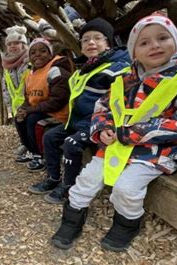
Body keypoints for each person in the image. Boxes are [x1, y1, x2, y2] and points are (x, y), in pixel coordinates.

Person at [51, 14, 177, 252]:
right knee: (85, 181)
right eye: (144, 43)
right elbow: (102, 109)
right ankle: (71, 220)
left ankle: (127, 224)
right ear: (134, 51)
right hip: (115, 145)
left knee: (126, 189)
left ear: (176, 41)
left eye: (163, 38)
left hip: (155, 152)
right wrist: (102, 129)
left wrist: (128, 133)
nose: (154, 46)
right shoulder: (124, 80)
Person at [29, 18, 130, 203]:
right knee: (50, 137)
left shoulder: (117, 68)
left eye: (97, 38)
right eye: (85, 40)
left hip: (98, 124)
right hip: (78, 121)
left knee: (71, 144)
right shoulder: (84, 68)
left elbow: (119, 103)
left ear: (109, 42)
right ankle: (53, 177)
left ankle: (69, 186)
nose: (91, 42)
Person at [15, 38, 72, 171]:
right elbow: (28, 98)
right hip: (40, 109)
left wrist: (30, 110)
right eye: (33, 52)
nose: (38, 55)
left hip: (58, 112)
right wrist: (23, 109)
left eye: (42, 51)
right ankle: (32, 151)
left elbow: (58, 100)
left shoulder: (55, 70)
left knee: (33, 121)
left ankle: (42, 156)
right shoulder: (31, 74)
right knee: (19, 119)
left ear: (50, 54)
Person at [1, 27, 30, 159]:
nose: (13, 46)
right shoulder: (7, 63)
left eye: (16, 43)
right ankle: (26, 145)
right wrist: (8, 103)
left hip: (30, 103)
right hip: (15, 104)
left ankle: (32, 149)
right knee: (20, 127)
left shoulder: (29, 61)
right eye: (9, 44)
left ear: (23, 44)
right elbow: (5, 86)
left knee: (30, 126)